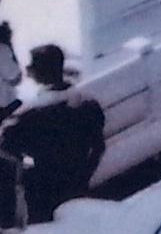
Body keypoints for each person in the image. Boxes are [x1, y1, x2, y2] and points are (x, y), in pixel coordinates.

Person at [0, 45, 105, 223]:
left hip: (42, 193)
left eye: (31, 65)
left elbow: (5, 148)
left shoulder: (28, 114)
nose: (26, 69)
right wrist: (84, 174)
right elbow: (98, 147)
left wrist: (27, 169)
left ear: (39, 72)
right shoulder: (88, 102)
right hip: (77, 186)